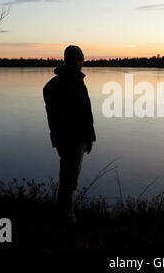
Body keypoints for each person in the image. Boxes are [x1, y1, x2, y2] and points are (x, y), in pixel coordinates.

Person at [43, 45, 96, 225]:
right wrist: (60, 141)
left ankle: (64, 214)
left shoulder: (78, 82)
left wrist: (89, 139)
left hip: (80, 140)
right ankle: (66, 218)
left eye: (82, 59)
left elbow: (85, 114)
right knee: (68, 181)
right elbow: (56, 118)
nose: (80, 63)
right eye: (76, 59)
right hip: (69, 141)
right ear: (67, 60)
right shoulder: (56, 85)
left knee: (70, 179)